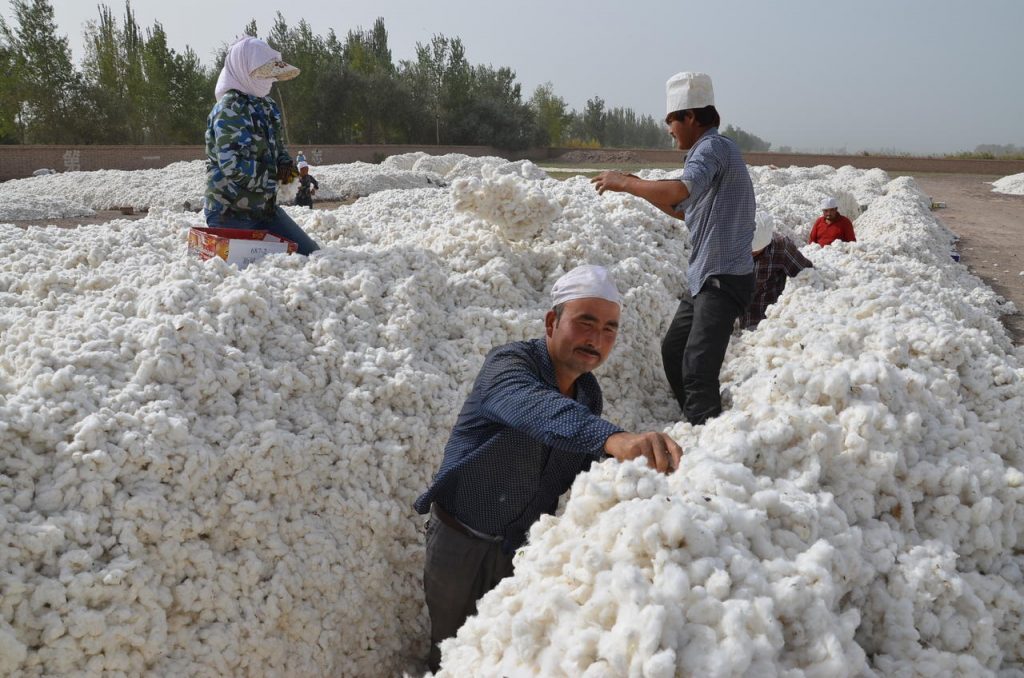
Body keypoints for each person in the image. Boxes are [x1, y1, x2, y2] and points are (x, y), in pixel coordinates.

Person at [414, 264, 683, 672]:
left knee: (499, 649)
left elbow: (577, 464)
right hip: (460, 543)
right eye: (585, 322)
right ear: (552, 322)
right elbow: (536, 409)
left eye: (609, 329)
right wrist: (613, 439)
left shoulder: (588, 395)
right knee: (449, 649)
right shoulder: (509, 366)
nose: (596, 338)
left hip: (518, 551)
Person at [590, 72, 755, 425]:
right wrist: (635, 185)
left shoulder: (713, 148)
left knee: (698, 366)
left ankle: (704, 431)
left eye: (671, 121)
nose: (668, 130)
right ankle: (694, 415)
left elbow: (679, 190)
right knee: (674, 349)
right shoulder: (712, 154)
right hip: (705, 276)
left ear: (691, 117)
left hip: (723, 276)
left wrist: (624, 183)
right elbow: (681, 208)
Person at [204, 36, 320, 255]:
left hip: (265, 210)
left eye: (271, 74)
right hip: (230, 212)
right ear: (243, 69)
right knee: (252, 275)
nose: (270, 80)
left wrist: (289, 179)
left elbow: (279, 150)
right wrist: (273, 182)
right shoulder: (228, 110)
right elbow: (233, 165)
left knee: (310, 254)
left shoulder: (267, 106)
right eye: (264, 73)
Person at [739, 218, 814, 330]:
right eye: (747, 249)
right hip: (736, 312)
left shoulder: (781, 247)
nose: (751, 253)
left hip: (766, 320)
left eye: (756, 251)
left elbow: (805, 274)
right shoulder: (733, 244)